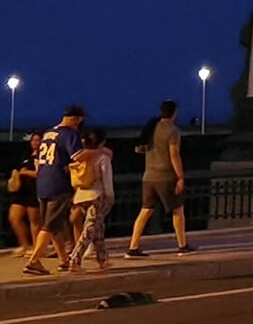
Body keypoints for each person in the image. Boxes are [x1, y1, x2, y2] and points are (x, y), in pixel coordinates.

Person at [23, 106, 84, 275]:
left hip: (43, 182)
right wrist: (97, 153)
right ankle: (34, 261)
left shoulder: (49, 133)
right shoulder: (70, 134)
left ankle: (64, 259)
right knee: (50, 225)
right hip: (59, 183)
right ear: (76, 119)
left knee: (52, 224)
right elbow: (78, 156)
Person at [127, 100, 191, 255]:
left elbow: (140, 149)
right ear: (174, 112)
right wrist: (180, 177)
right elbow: (174, 155)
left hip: (148, 176)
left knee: (145, 210)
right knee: (177, 210)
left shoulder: (151, 128)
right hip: (166, 176)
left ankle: (133, 247)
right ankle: (182, 245)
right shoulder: (173, 131)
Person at [69, 129, 115, 271]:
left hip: (81, 196)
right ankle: (75, 259)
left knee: (97, 227)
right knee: (89, 230)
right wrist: (110, 196)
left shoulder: (83, 156)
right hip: (96, 196)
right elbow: (107, 180)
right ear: (102, 142)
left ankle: (102, 259)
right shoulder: (103, 157)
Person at [7, 133, 42, 257]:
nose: (35, 143)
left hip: (34, 191)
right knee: (14, 218)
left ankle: (36, 248)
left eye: (38, 140)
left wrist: (26, 172)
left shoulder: (42, 156)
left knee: (34, 221)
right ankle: (24, 245)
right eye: (33, 140)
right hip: (22, 191)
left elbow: (40, 174)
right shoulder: (25, 155)